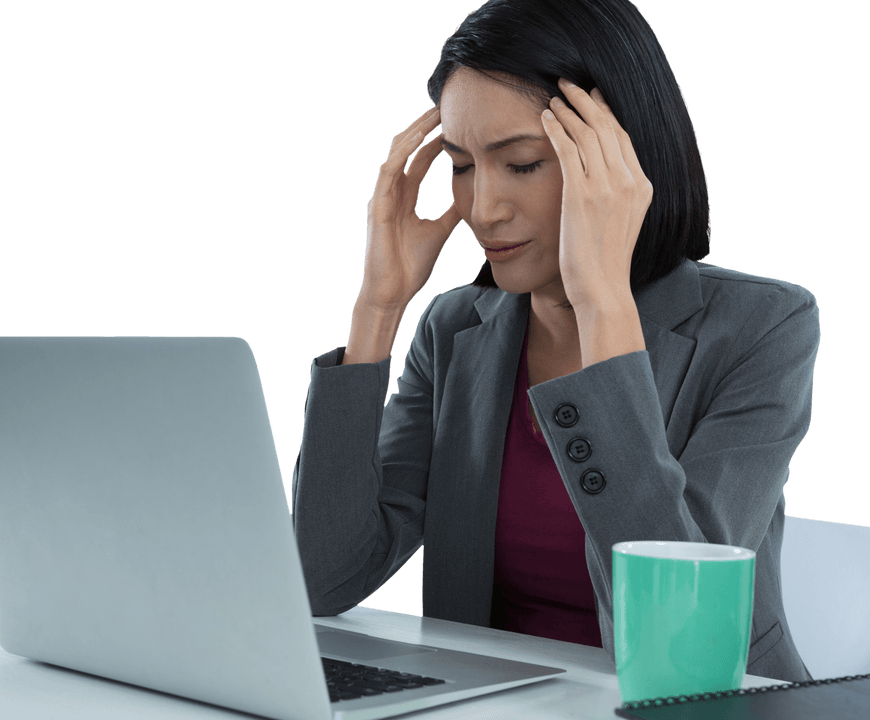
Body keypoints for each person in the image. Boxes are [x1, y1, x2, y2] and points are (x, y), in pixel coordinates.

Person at [290, 0, 819, 683]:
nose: (483, 210)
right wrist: (378, 307)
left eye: (521, 164)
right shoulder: (455, 330)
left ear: (619, 160)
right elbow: (323, 578)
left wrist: (602, 301)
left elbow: (675, 634)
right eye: (461, 166)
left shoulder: (762, 328)